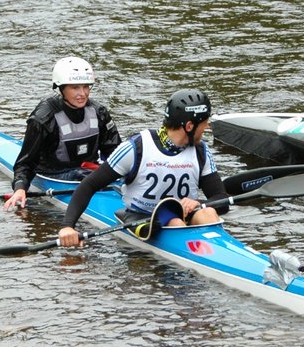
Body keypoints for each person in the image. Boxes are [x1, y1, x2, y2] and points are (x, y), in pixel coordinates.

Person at [57, 89, 230, 248]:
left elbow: (221, 199)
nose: (207, 128)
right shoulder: (137, 148)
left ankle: (223, 251)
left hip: (183, 215)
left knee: (208, 213)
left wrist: (198, 203)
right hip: (143, 217)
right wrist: (67, 227)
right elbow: (89, 185)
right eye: (205, 123)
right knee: (174, 222)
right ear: (189, 126)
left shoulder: (201, 151)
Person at [3, 57, 121, 210]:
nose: (83, 94)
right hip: (54, 174)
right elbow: (26, 163)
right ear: (61, 88)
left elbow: (115, 152)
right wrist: (20, 188)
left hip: (88, 172)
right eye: (75, 88)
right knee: (79, 175)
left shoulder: (99, 112)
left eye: (86, 87)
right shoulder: (43, 118)